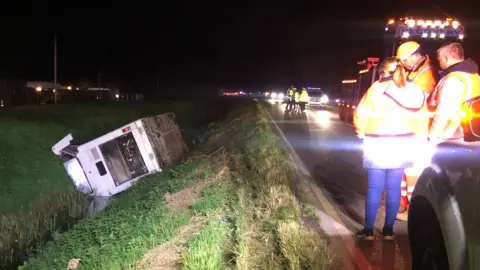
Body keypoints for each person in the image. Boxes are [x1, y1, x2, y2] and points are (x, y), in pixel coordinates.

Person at [354, 57, 429, 240]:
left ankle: (369, 231)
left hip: (378, 143)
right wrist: (419, 139)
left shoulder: (377, 89)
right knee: (394, 189)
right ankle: (388, 231)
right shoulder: (416, 91)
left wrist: (361, 132)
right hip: (403, 144)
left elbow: (361, 113)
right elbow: (422, 119)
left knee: (374, 188)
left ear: (384, 72)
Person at [396, 41, 438, 221]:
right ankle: (404, 206)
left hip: (418, 130)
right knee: (406, 171)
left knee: (413, 171)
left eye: (405, 60)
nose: (404, 64)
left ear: (414, 55)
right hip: (411, 129)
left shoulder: (426, 75)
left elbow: (413, 102)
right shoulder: (415, 72)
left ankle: (414, 212)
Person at [429, 42, 480, 144]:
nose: (439, 63)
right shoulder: (474, 76)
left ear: (446, 59)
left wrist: (432, 136)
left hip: (453, 137)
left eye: (439, 59)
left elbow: (444, 112)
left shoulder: (452, 79)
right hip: (474, 134)